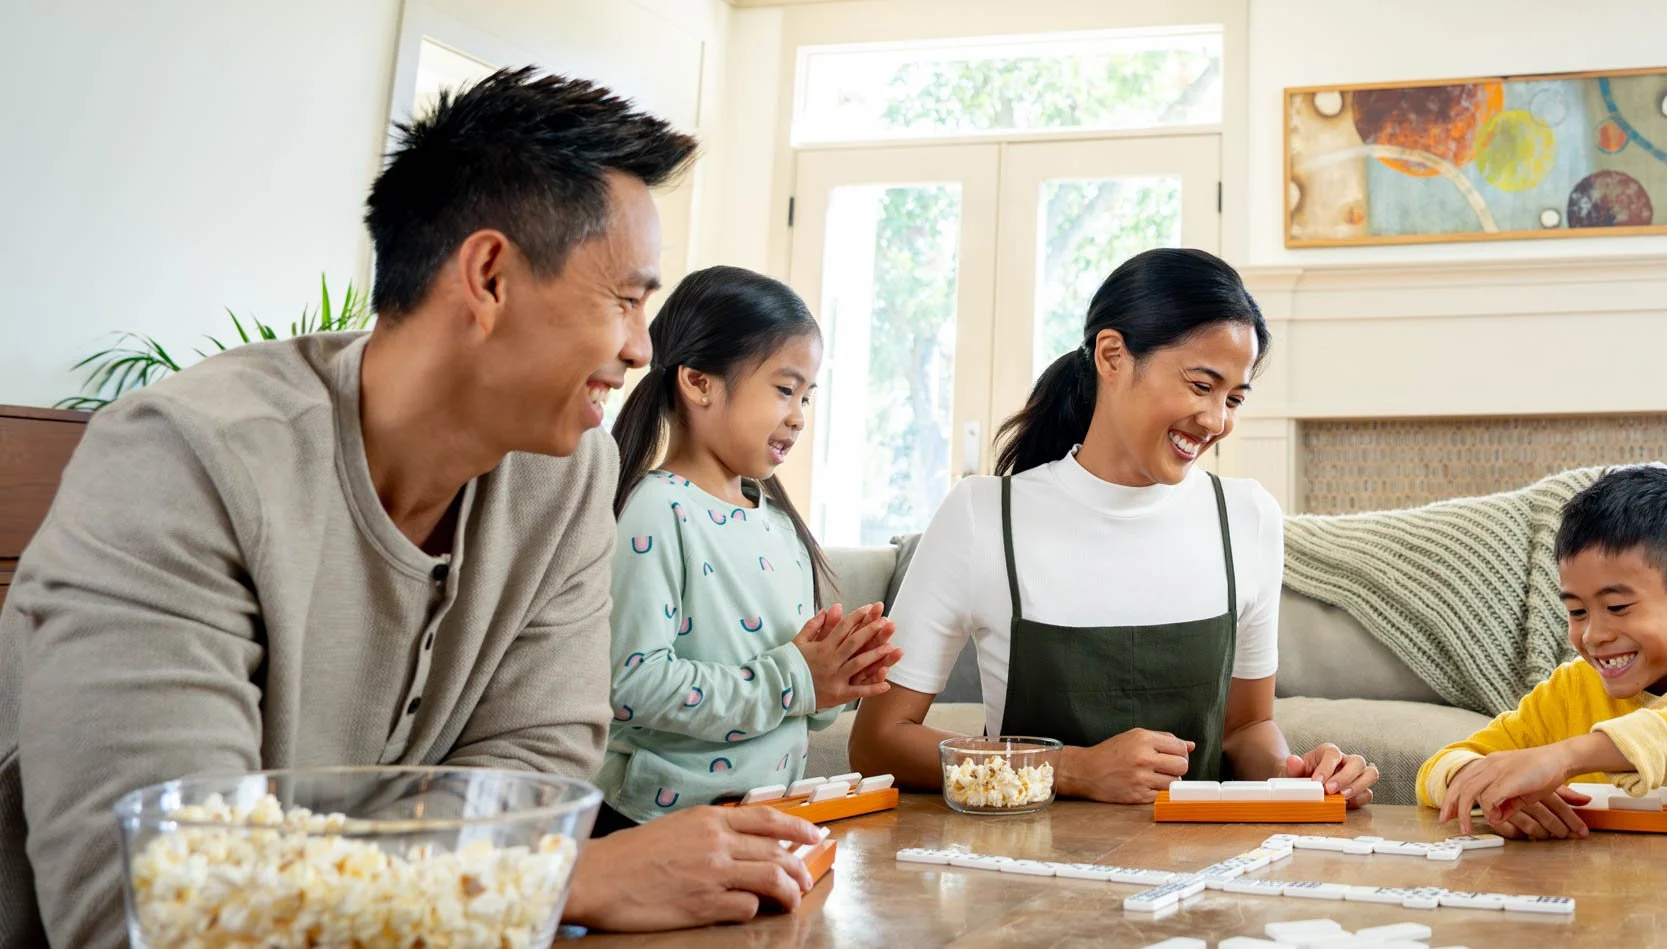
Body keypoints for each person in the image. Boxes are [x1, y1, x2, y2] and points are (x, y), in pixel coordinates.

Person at [0, 69, 826, 946]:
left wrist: (528, 869)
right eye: (625, 300)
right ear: (490, 276)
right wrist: (560, 880)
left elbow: (530, 796)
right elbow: (154, 899)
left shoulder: (570, 476)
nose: (639, 347)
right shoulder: (184, 459)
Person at [849, 248, 1381, 806]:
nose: (1218, 420)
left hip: (1198, 875)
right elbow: (878, 742)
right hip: (1021, 872)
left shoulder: (1246, 517)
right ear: (1112, 355)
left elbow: (1244, 731)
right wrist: (1071, 769)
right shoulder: (984, 516)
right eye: (1202, 385)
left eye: (1234, 398)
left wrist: (1293, 775)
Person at [598, 265, 902, 832]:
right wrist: (795, 679)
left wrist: (834, 679)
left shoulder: (778, 524)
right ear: (699, 382)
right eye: (786, 389)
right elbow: (632, 685)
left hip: (763, 817)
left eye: (808, 397)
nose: (799, 416)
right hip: (654, 827)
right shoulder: (658, 511)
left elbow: (791, 705)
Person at [1418, 465, 1667, 839]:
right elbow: (1443, 765)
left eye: (1617, 607)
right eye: (1577, 611)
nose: (1593, 635)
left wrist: (1567, 757)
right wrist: (1479, 782)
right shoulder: (1571, 690)